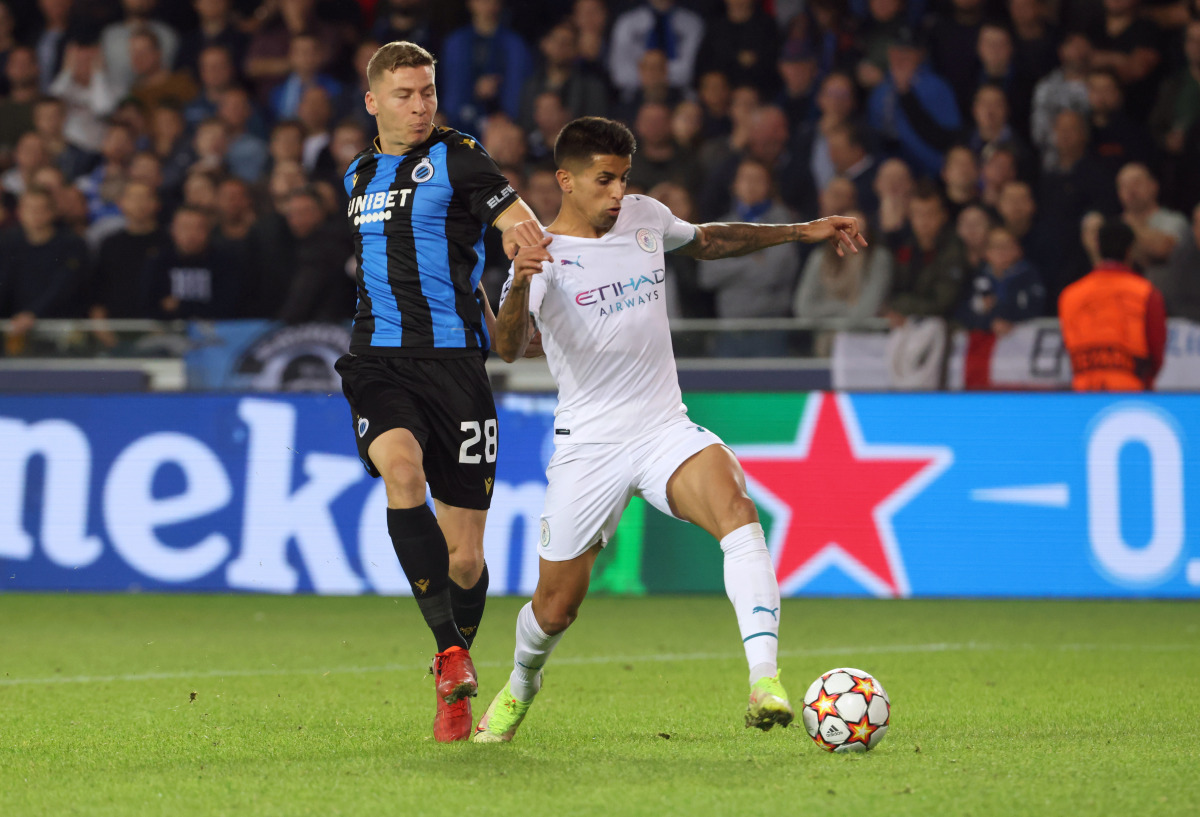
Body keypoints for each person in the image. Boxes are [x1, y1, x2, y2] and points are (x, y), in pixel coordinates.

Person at [473, 116, 865, 743]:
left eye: (624, 179)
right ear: (565, 181)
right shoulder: (543, 254)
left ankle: (764, 679)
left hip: (663, 429)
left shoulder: (645, 217)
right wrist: (519, 279)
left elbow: (709, 240)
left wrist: (801, 230)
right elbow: (511, 344)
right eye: (604, 181)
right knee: (554, 609)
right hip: (590, 447)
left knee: (738, 511)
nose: (616, 193)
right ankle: (521, 683)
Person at [332, 41, 546, 744]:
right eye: (405, 94)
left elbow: (514, 224)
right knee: (402, 471)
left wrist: (524, 247)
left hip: (456, 366)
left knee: (466, 558)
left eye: (427, 92)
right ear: (373, 102)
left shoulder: (461, 157)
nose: (420, 104)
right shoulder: (358, 174)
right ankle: (450, 656)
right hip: (378, 361)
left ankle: (453, 672)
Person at [1059, 219, 1167, 391]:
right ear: (1130, 250)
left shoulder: (1069, 295)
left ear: (1098, 248)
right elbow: (1156, 352)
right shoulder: (1147, 293)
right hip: (1131, 396)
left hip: (1083, 394)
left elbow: (1068, 345)